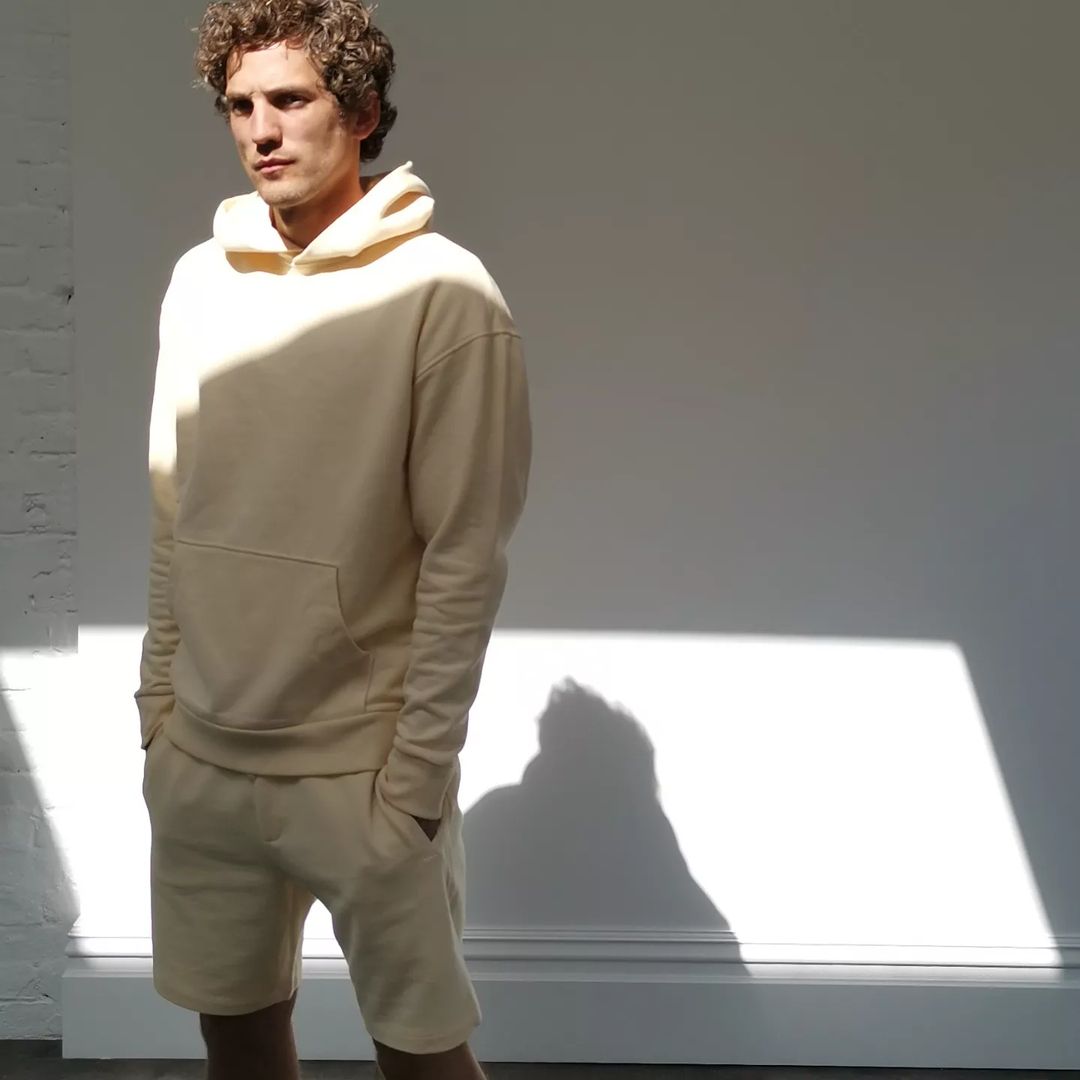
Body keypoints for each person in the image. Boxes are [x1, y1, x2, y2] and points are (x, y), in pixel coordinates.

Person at [134, 2, 531, 1077]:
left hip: (361, 771)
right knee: (235, 1040)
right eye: (239, 106)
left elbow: (464, 553)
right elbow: (174, 504)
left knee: (423, 1057)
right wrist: (158, 712)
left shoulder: (446, 295)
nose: (261, 130)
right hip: (203, 758)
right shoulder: (199, 280)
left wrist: (416, 783)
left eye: (290, 99)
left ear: (359, 112)